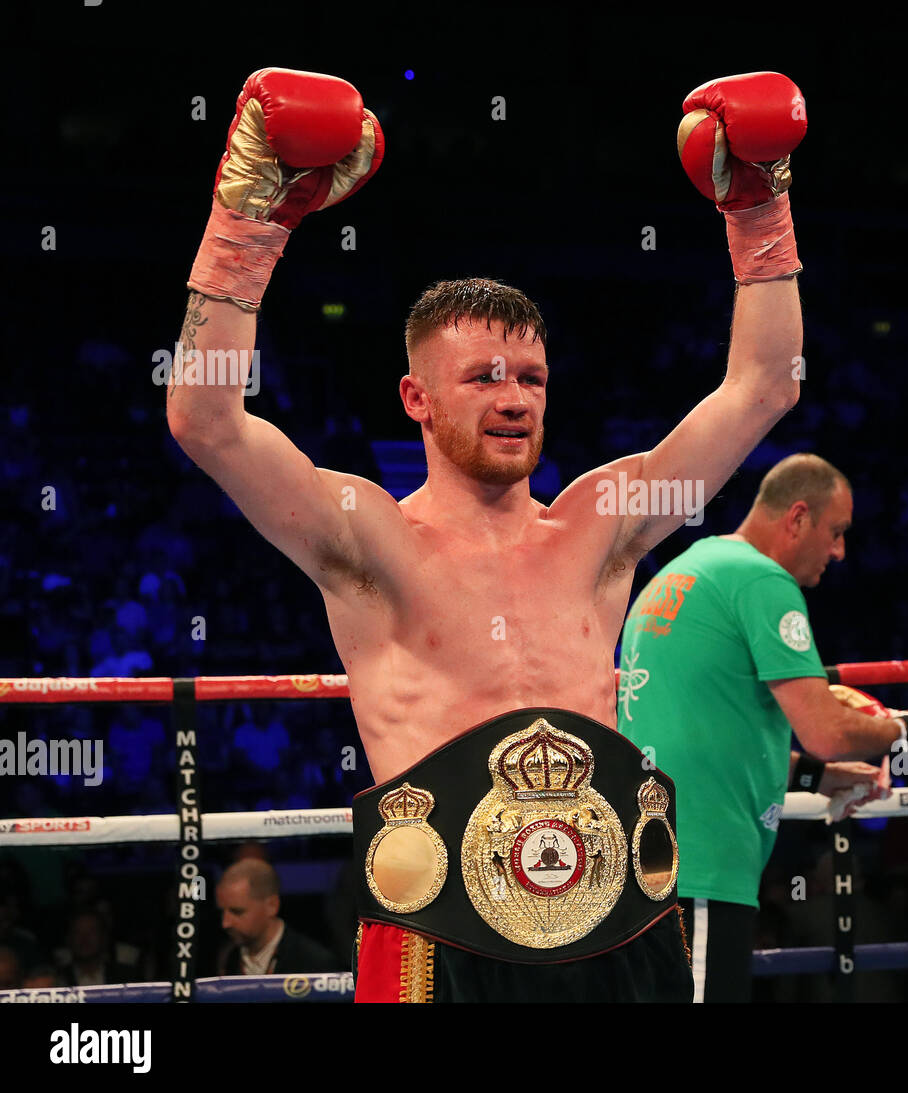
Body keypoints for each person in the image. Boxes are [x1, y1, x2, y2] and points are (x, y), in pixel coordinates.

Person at [167, 67, 809, 1002]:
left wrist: (759, 209)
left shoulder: (603, 525)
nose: (514, 398)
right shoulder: (368, 539)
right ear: (415, 400)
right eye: (484, 378)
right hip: (442, 941)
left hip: (619, 930)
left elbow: (765, 385)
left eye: (533, 379)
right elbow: (206, 420)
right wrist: (246, 224)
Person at [618, 454, 908, 1001]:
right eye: (836, 531)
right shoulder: (760, 579)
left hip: (646, 864)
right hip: (701, 865)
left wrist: (816, 780)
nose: (840, 550)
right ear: (798, 517)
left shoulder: (686, 571)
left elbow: (710, 732)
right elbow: (824, 729)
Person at [215, 860, 335, 976]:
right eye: (222, 912)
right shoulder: (227, 959)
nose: (225, 923)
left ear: (272, 905)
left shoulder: (314, 963)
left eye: (237, 912)